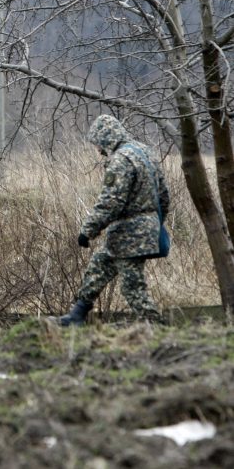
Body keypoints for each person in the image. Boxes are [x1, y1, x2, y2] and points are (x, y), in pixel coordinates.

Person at [59, 114, 169, 326]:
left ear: (104, 139)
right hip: (139, 231)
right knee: (98, 265)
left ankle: (158, 328)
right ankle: (77, 315)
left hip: (130, 235)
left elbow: (111, 202)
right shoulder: (144, 152)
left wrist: (88, 230)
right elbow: (163, 195)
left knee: (132, 286)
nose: (97, 149)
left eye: (97, 143)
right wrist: (154, 223)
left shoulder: (120, 161)